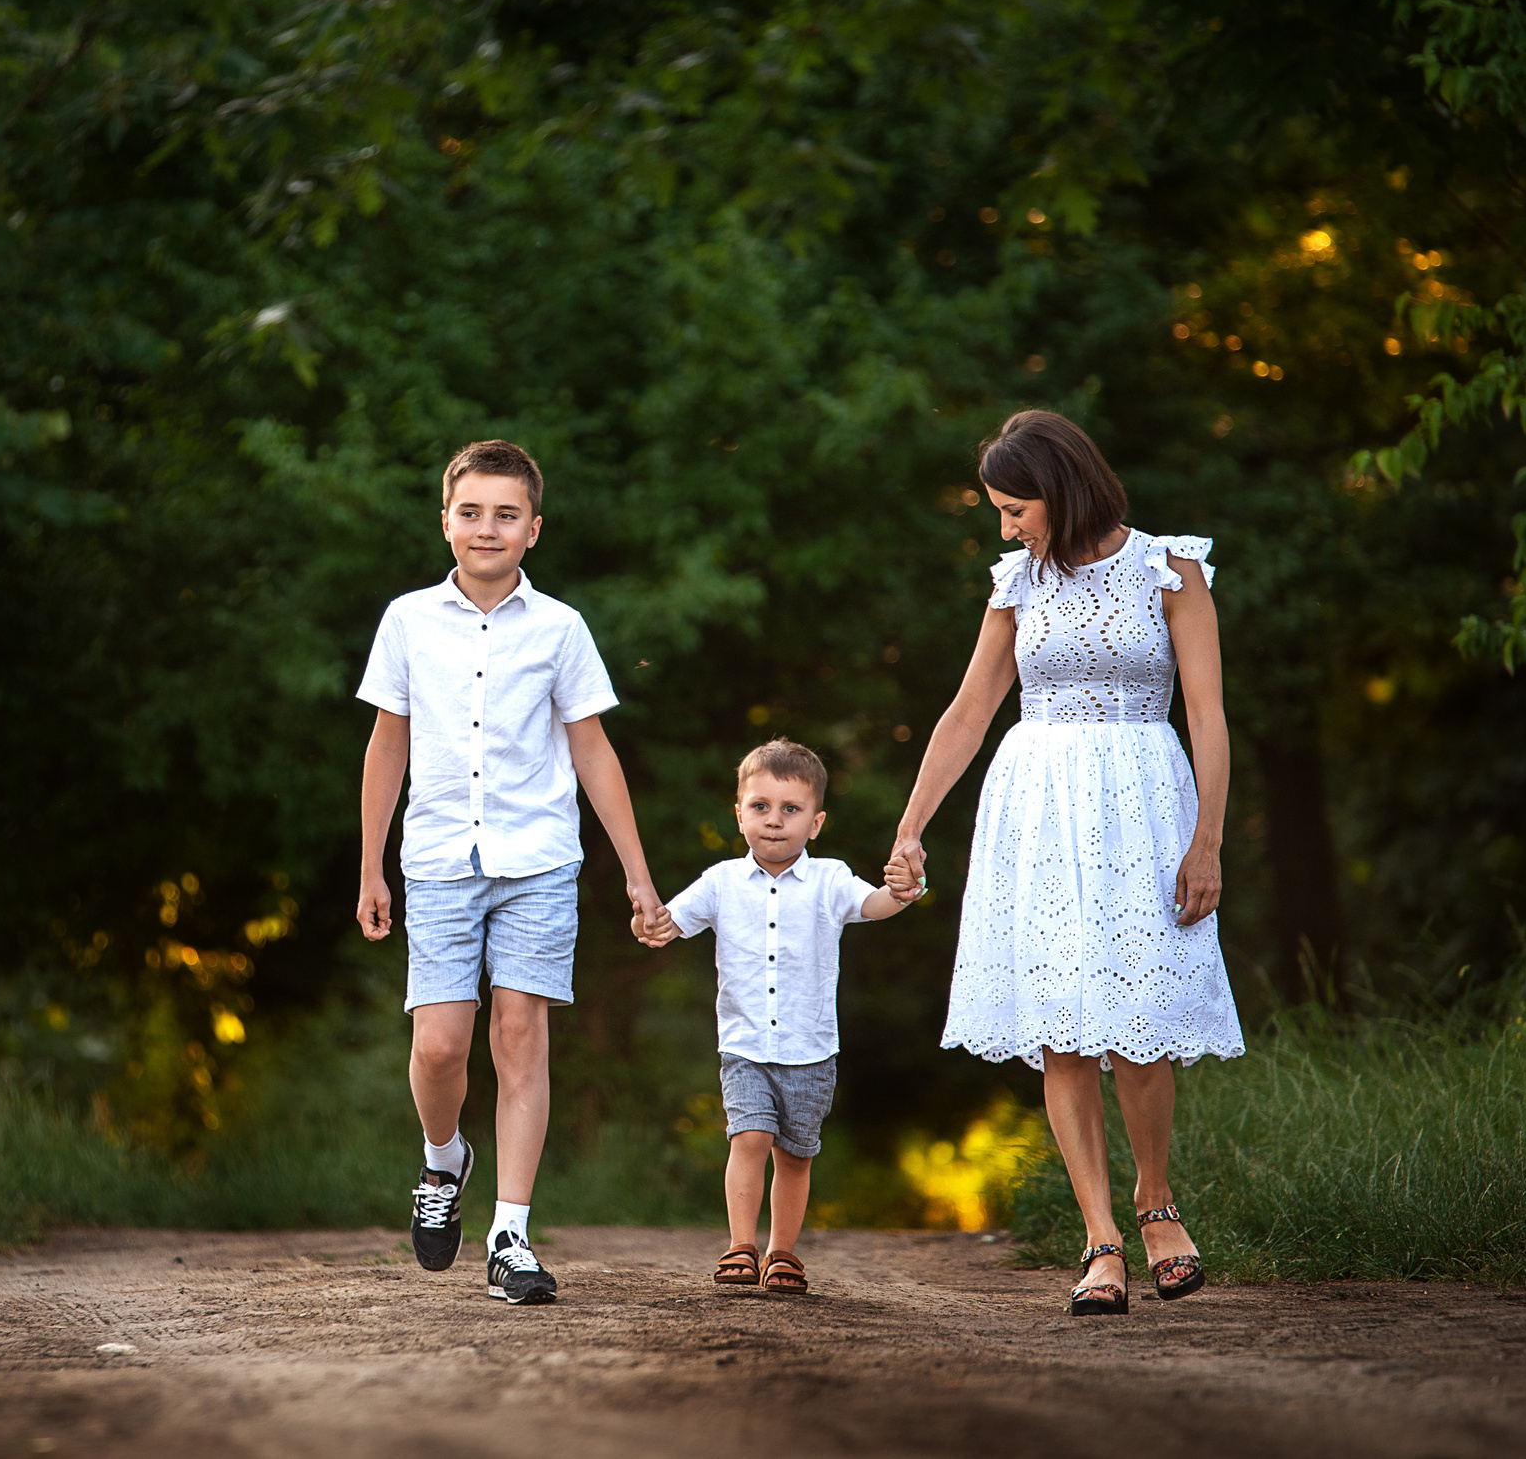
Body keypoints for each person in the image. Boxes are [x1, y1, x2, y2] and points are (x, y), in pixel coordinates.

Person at [884, 408, 1243, 1316]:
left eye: (1016, 508)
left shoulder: (1170, 567)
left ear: (1064, 487)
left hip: (1144, 797)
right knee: (1063, 1024)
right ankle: (1101, 1242)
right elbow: (969, 711)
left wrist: (1208, 839)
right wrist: (911, 825)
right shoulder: (1018, 582)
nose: (1006, 527)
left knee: (1141, 1017)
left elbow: (1206, 715)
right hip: (1038, 804)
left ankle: (1156, 1200)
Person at [355, 439, 665, 1306]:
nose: (486, 527)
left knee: (521, 1034)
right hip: (439, 858)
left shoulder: (561, 628)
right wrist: (371, 866)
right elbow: (388, 745)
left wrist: (638, 875)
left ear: (534, 528)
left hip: (538, 861)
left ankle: (510, 1234)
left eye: (505, 514)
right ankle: (443, 1157)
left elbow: (594, 754)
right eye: (470, 511)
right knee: (440, 1043)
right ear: (445, 521)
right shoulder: (408, 620)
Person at [639, 739, 920, 1294]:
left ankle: (782, 1252)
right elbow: (671, 922)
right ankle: (741, 1246)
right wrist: (649, 924)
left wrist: (904, 892)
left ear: (815, 823)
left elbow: (874, 906)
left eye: (790, 810)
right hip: (744, 1045)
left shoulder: (831, 879)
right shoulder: (720, 881)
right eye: (761, 807)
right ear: (739, 812)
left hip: (810, 1048)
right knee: (748, 1138)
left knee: (794, 1155)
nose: (774, 821)